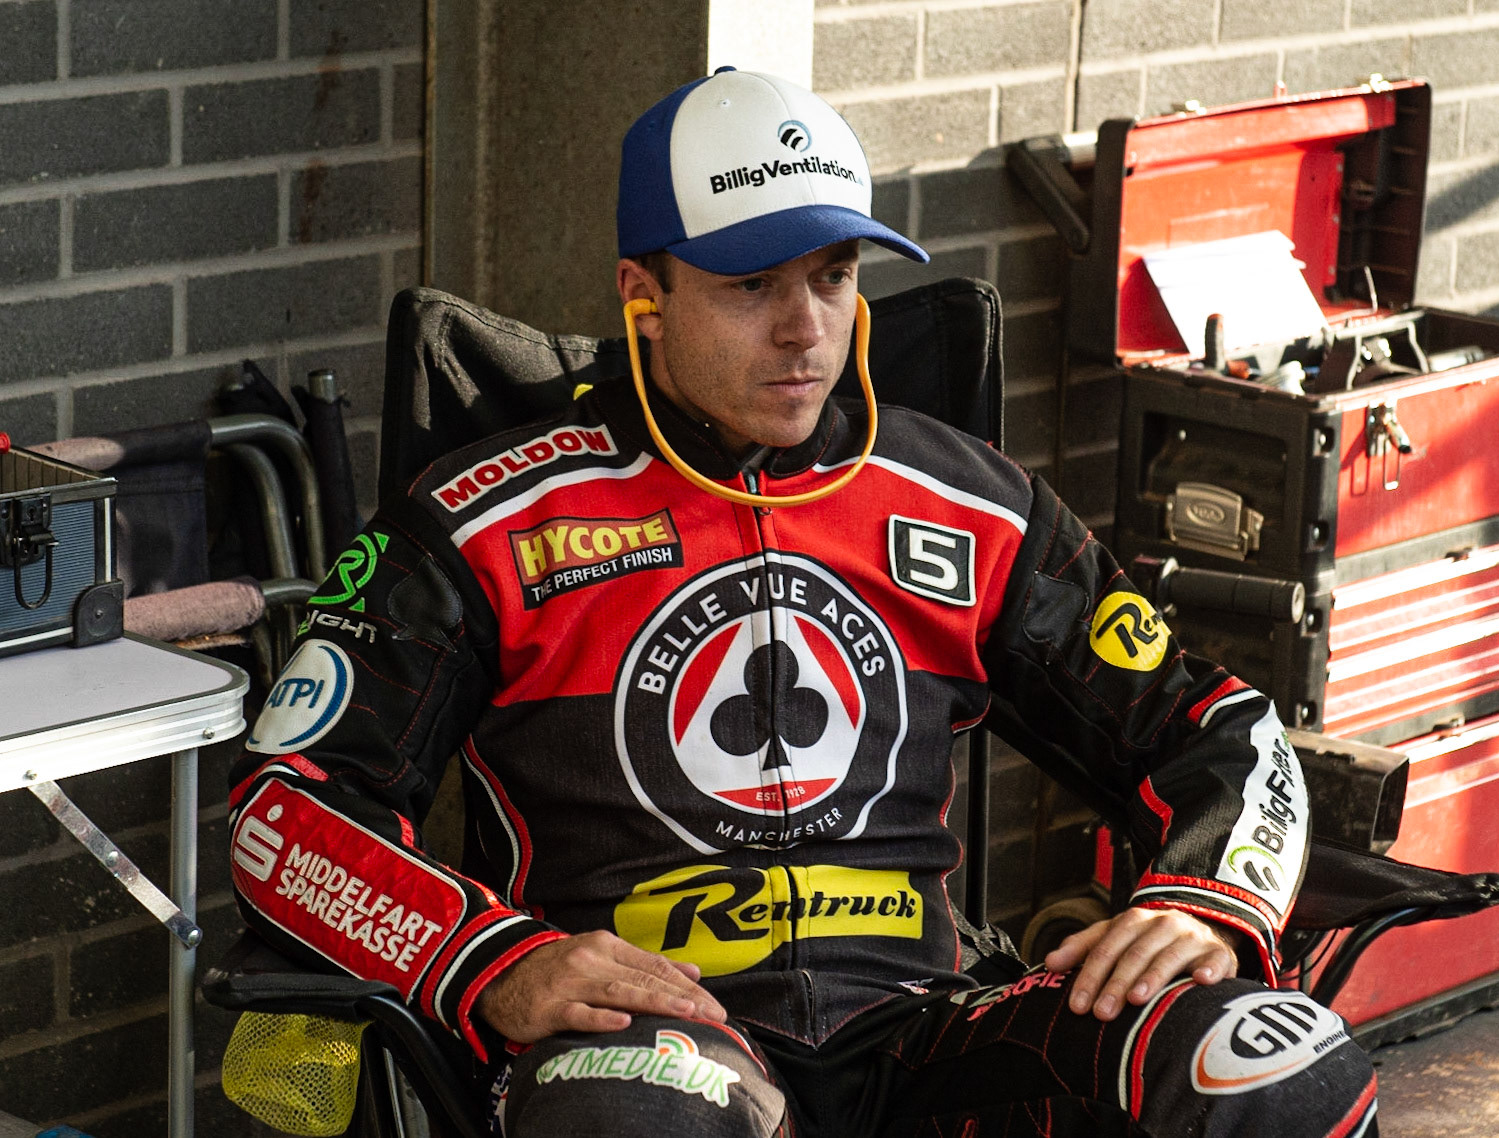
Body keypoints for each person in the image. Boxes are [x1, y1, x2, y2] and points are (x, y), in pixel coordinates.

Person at [229, 67, 1378, 1137]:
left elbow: (1222, 726)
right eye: (749, 286)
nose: (805, 329)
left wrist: (1211, 899)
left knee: (1277, 1063)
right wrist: (487, 961)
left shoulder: (973, 503)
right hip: (650, 1043)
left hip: (933, 1033)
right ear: (643, 293)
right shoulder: (481, 519)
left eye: (832, 275)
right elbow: (286, 812)